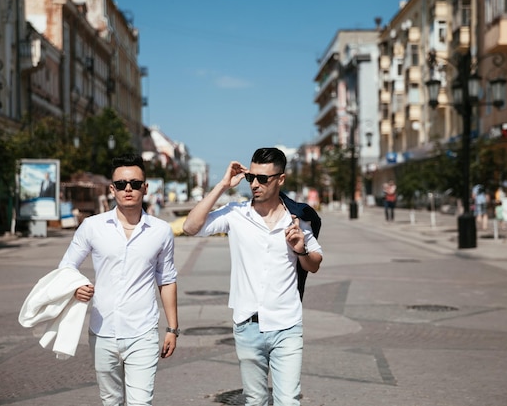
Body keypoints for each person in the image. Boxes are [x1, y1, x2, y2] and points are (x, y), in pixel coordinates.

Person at [183, 147, 323, 406]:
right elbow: (190, 227)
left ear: (280, 179)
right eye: (251, 178)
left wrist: (301, 250)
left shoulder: (297, 218)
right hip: (247, 325)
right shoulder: (235, 214)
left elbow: (314, 264)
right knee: (255, 400)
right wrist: (223, 185)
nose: (255, 184)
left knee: (288, 401)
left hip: (287, 325)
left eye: (263, 179)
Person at [58, 154, 179, 406]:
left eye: (135, 184)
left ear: (145, 188)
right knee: (111, 401)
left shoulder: (161, 231)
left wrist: (172, 328)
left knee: (140, 403)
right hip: (102, 331)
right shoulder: (92, 226)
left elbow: (166, 279)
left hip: (143, 331)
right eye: (122, 184)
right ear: (112, 189)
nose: (128, 189)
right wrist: (76, 286)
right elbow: (67, 265)